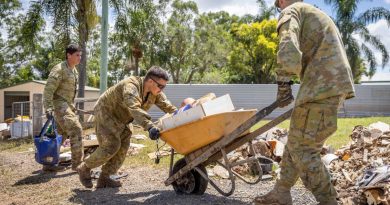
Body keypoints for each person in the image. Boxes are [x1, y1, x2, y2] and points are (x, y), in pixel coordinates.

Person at [254, 0, 355, 205]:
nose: (279, 9)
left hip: (320, 87)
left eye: (277, 5)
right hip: (328, 85)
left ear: (281, 1)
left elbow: (288, 49)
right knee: (295, 143)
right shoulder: (311, 12)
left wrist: (283, 85)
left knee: (304, 150)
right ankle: (281, 192)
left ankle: (328, 201)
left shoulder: (290, 11)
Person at [77, 66, 177, 188]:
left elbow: (167, 106)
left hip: (123, 117)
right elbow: (134, 108)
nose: (162, 89)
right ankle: (84, 168)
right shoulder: (131, 86)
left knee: (124, 146)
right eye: (161, 86)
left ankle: (105, 177)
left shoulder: (154, 91)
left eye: (164, 87)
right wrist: (150, 126)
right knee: (111, 145)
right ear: (150, 81)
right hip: (106, 112)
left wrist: (181, 114)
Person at [43, 44, 83, 172]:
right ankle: (78, 165)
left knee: (60, 134)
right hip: (59, 105)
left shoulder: (74, 70)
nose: (79, 58)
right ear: (68, 55)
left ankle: (48, 163)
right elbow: (48, 90)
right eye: (77, 55)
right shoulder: (59, 69)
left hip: (67, 106)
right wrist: (48, 108)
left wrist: (72, 107)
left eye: (80, 55)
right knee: (76, 129)